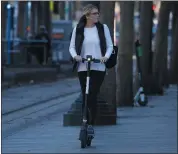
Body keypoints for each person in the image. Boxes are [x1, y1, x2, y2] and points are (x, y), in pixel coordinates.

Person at [69, 4, 113, 133]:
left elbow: (110, 46)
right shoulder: (78, 29)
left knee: (92, 94)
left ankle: (91, 123)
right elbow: (71, 47)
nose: (97, 15)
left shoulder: (103, 28)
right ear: (87, 15)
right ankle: (84, 123)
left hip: (98, 66)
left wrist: (105, 57)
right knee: (85, 95)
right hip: (83, 66)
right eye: (94, 13)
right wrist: (75, 56)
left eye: (98, 13)